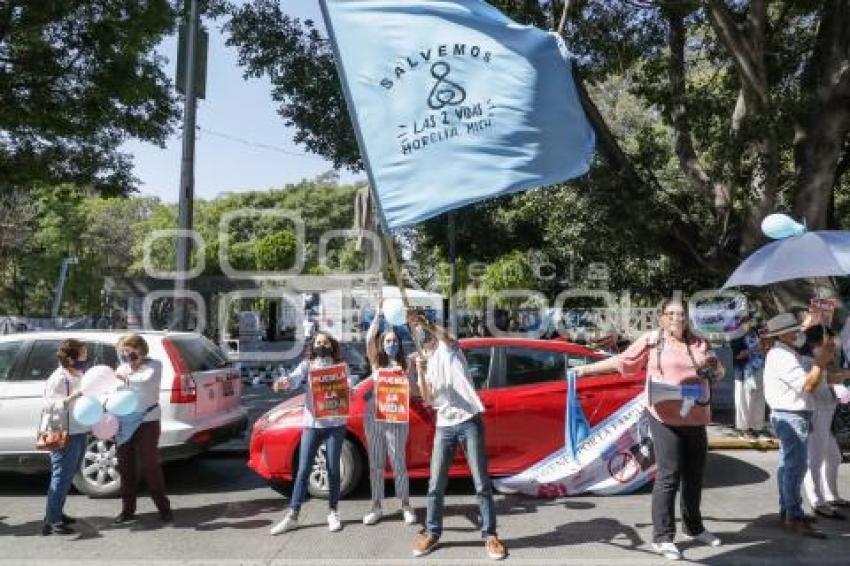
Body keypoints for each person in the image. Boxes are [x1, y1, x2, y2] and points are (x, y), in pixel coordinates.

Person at [574, 298, 724, 561]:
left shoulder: (700, 342)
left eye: (682, 314)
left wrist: (716, 369)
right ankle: (663, 537)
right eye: (672, 314)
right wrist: (584, 370)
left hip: (696, 416)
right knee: (669, 475)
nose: (678, 318)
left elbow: (718, 371)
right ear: (662, 318)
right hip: (664, 417)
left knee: (694, 475)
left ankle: (694, 527)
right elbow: (623, 362)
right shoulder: (652, 341)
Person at [407, 311, 507, 561]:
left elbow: (448, 337)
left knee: (481, 482)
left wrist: (426, 323)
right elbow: (428, 399)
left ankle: (490, 535)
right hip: (444, 426)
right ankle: (432, 531)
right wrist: (420, 372)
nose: (426, 341)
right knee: (435, 484)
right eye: (422, 337)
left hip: (468, 421)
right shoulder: (427, 362)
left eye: (427, 336)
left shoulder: (449, 349)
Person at [270, 331, 356, 535]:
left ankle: (333, 512)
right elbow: (292, 380)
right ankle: (293, 515)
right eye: (318, 342)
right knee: (302, 471)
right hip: (312, 424)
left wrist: (349, 389)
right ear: (313, 345)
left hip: (335, 424)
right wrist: (282, 384)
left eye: (325, 342)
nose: (322, 345)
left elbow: (349, 385)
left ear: (331, 345)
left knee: (333, 469)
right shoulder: (307, 366)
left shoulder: (341, 366)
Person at [762, 312, 834, 538]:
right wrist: (821, 361)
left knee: (788, 467)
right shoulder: (781, 356)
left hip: (791, 414)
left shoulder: (783, 353)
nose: (799, 333)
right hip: (791, 415)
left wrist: (821, 363)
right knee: (795, 467)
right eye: (795, 331)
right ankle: (793, 515)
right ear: (783, 335)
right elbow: (807, 386)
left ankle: (789, 511)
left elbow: (812, 381)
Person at [362, 302, 418, 526]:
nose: (391, 344)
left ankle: (405, 504)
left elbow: (414, 391)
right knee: (375, 463)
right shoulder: (376, 363)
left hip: (397, 419)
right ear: (382, 344)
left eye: (394, 341)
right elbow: (368, 340)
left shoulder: (407, 365)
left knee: (398, 463)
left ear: (399, 344)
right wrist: (377, 317)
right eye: (387, 341)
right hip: (375, 417)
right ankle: (376, 506)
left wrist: (411, 378)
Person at [113, 334, 173, 525]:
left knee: (150, 465)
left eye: (130, 350)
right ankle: (127, 509)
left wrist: (128, 374)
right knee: (125, 467)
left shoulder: (154, 365)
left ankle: (164, 508)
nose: (126, 354)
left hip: (147, 420)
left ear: (140, 349)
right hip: (125, 421)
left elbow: (145, 381)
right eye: (123, 351)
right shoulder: (122, 368)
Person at [800, 325, 850, 520]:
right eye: (828, 343)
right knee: (815, 459)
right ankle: (817, 501)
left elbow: (826, 379)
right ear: (816, 343)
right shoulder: (806, 361)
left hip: (827, 413)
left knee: (834, 457)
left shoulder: (816, 360)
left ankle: (831, 495)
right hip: (816, 414)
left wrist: (844, 376)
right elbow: (809, 386)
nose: (832, 346)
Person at [41, 339, 90, 535]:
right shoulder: (59, 377)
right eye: (83, 354)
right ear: (71, 358)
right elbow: (48, 405)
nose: (86, 358)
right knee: (61, 476)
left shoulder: (79, 373)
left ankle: (56, 513)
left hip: (79, 430)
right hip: (63, 432)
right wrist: (72, 397)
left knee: (69, 474)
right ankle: (52, 521)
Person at [730, 319, 767, 440]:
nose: (750, 323)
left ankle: (756, 427)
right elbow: (738, 355)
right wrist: (755, 349)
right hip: (744, 372)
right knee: (743, 401)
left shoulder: (756, 333)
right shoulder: (736, 337)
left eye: (751, 321)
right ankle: (743, 428)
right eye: (746, 322)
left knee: (758, 399)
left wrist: (764, 348)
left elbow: (764, 348)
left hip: (759, 369)